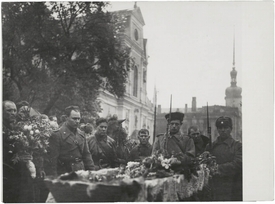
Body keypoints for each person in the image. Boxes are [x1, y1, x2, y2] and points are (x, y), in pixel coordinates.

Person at [48, 106, 95, 176]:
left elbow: (87, 156)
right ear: (66, 118)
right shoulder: (57, 135)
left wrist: (92, 173)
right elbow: (53, 161)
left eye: (79, 119)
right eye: (74, 119)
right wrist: (54, 178)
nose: (77, 121)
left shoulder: (81, 135)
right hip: (65, 172)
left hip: (81, 171)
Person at [206, 116, 242, 201]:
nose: (223, 130)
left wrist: (218, 168)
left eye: (226, 127)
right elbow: (205, 163)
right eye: (220, 128)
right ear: (217, 129)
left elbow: (238, 163)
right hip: (215, 185)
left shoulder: (237, 145)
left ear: (231, 129)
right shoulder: (211, 146)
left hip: (232, 185)